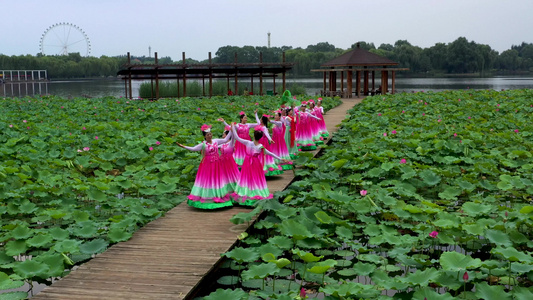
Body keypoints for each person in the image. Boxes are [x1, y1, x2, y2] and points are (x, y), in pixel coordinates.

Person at [176, 124, 233, 209]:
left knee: (216, 179)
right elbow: (193, 149)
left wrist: (231, 130)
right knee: (207, 180)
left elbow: (225, 139)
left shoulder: (215, 141)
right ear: (205, 136)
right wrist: (184, 146)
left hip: (216, 163)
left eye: (210, 134)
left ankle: (217, 195)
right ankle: (207, 197)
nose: (210, 136)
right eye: (208, 135)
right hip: (207, 164)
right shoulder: (203, 145)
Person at [230, 123, 288, 206]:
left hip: (247, 162)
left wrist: (233, 128)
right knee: (256, 178)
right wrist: (281, 158)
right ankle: (256, 191)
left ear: (254, 135)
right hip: (256, 163)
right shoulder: (261, 146)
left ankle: (246, 192)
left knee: (246, 177)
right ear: (260, 137)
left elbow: (237, 137)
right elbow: (270, 153)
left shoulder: (248, 143)